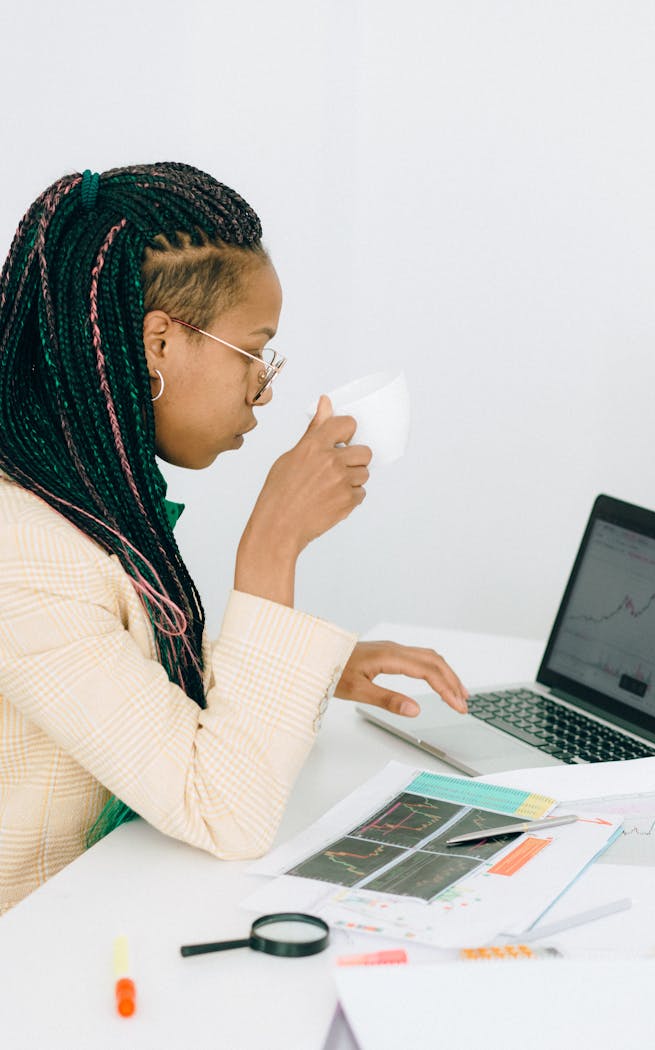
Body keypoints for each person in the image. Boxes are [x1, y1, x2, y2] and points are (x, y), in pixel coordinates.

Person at [0, 163, 468, 914]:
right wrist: (272, 545)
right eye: (256, 352)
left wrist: (303, 670)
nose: (267, 387)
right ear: (158, 344)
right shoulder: (22, 551)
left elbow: (121, 686)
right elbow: (225, 811)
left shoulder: (70, 496)